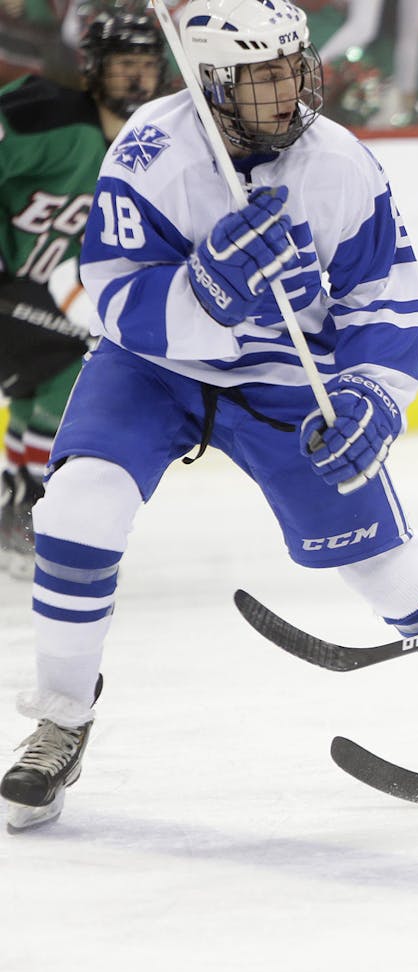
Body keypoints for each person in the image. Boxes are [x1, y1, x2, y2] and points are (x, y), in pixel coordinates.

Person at [0, 0, 418, 833]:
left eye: (294, 64)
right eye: (263, 74)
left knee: (386, 567)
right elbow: (108, 287)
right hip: (154, 367)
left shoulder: (339, 164)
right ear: (213, 81)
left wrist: (371, 395)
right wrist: (203, 296)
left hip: (288, 377)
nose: (289, 86)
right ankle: (61, 720)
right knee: (77, 511)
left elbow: (385, 297)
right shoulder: (151, 144)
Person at [0, 12, 165, 579]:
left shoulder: (150, 149)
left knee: (67, 374)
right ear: (93, 69)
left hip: (43, 292)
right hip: (12, 283)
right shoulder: (52, 122)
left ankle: (19, 502)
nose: (138, 81)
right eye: (125, 67)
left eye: (146, 66)